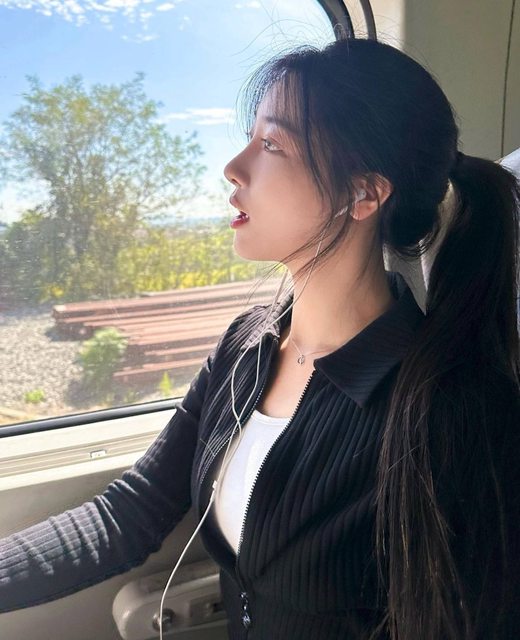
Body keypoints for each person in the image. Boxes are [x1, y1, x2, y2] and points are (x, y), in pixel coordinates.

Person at [1, 37, 519, 640]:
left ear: (364, 192)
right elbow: (131, 513)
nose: (234, 166)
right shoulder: (245, 347)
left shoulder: (454, 410)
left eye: (272, 144)